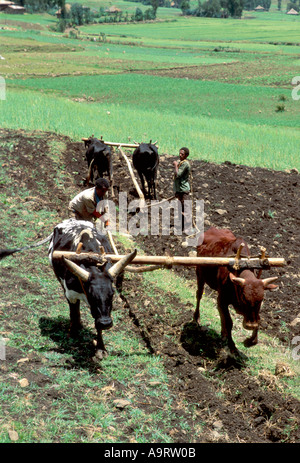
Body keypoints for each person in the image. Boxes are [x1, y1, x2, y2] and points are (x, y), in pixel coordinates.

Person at [173, 147, 191, 232]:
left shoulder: (185, 164)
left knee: (186, 210)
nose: (180, 155)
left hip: (184, 190)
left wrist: (176, 165)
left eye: (182, 154)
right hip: (179, 189)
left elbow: (178, 174)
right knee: (180, 209)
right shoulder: (181, 162)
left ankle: (187, 228)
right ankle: (181, 227)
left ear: (186, 155)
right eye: (180, 153)